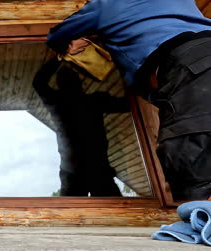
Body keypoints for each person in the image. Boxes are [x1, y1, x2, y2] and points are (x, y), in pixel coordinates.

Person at [46, 0, 211, 201]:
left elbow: (56, 36)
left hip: (189, 65)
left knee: (187, 160)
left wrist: (67, 46)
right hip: (199, 55)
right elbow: (123, 105)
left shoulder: (105, 4)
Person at [33, 58, 128, 196]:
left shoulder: (57, 102)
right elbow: (127, 105)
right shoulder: (93, 101)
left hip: (75, 171)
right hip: (96, 170)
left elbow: (38, 83)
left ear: (59, 85)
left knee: (71, 215)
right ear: (80, 83)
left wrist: (59, 58)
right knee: (116, 214)